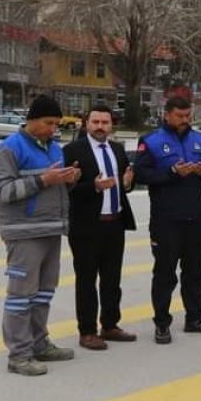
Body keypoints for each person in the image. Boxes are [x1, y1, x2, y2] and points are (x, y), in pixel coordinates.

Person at [0, 95, 80, 376]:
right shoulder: (8, 149)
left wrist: (69, 181)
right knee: (20, 296)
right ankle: (19, 355)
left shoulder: (55, 148)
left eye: (57, 124)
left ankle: (39, 344)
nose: (53, 129)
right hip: (23, 233)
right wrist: (44, 180)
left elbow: (58, 191)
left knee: (43, 294)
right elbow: (3, 192)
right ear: (31, 120)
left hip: (52, 229)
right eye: (48, 123)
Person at [133, 96, 201, 344]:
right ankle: (162, 323)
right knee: (165, 273)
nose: (185, 120)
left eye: (188, 115)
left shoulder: (200, 139)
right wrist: (172, 172)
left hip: (196, 217)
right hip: (166, 220)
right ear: (167, 115)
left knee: (195, 271)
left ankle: (195, 317)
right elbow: (141, 173)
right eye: (180, 116)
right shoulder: (151, 141)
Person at [63, 105, 138, 350]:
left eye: (105, 123)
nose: (100, 127)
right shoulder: (73, 150)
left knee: (112, 279)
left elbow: (125, 182)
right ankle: (87, 331)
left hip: (114, 223)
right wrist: (93, 187)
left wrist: (128, 184)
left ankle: (110, 324)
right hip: (86, 226)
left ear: (111, 126)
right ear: (86, 124)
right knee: (86, 280)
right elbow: (66, 190)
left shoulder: (117, 149)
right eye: (95, 122)